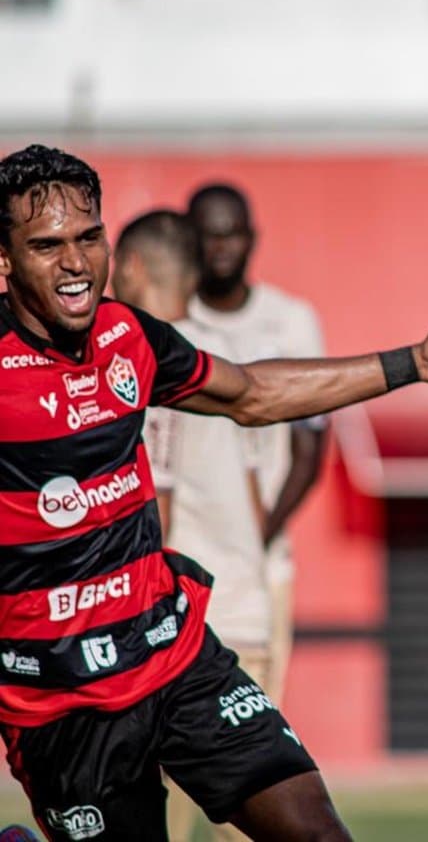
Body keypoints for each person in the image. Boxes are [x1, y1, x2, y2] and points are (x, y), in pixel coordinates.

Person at [0, 144, 428, 841]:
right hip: (63, 705)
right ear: (4, 262)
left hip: (174, 656)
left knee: (318, 833)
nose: (75, 263)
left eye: (89, 238)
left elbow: (250, 392)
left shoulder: (129, 337)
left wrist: (413, 365)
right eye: (47, 245)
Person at [110, 209, 274, 842]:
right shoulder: (226, 355)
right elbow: (261, 488)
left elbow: (159, 506)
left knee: (165, 825)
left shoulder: (138, 361)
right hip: (248, 602)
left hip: (180, 628)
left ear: (130, 267)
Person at [185, 182, 327, 707]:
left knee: (258, 719)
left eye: (231, 235)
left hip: (264, 562)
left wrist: (255, 535)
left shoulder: (289, 322)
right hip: (182, 562)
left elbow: (311, 451)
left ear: (251, 239)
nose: (220, 247)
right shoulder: (171, 326)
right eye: (207, 236)